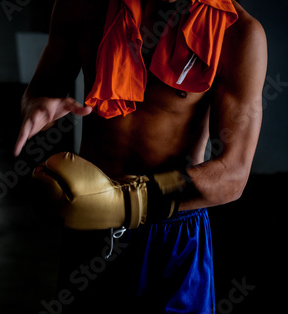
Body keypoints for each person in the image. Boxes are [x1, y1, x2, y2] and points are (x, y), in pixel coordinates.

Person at [14, 0, 267, 313]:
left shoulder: (237, 31)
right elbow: (41, 92)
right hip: (90, 225)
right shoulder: (79, 6)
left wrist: (121, 203)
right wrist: (38, 106)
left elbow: (234, 175)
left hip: (172, 232)